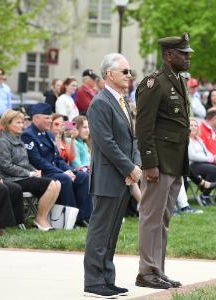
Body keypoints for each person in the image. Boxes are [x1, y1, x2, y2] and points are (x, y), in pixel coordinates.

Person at [135, 33, 192, 289]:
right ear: (169, 55)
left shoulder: (177, 81)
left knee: (164, 219)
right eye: (184, 53)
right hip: (158, 163)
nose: (188, 57)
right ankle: (146, 271)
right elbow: (144, 128)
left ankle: (158, 269)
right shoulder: (154, 83)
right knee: (151, 218)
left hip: (174, 161)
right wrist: (149, 164)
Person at [84, 53, 142, 298]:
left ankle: (107, 279)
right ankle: (93, 282)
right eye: (125, 71)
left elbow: (132, 139)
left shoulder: (122, 101)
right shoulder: (100, 103)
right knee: (100, 231)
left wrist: (135, 165)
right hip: (109, 177)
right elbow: (106, 143)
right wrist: (130, 168)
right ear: (109, 74)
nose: (130, 76)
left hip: (123, 177)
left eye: (130, 72)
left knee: (112, 231)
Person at [21, 103, 92, 226]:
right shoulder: (28, 135)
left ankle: (84, 216)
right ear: (36, 118)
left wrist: (70, 170)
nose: (50, 120)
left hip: (54, 170)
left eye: (50, 118)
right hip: (41, 173)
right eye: (47, 118)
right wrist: (63, 172)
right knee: (65, 179)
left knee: (82, 176)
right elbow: (37, 160)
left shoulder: (48, 134)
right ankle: (68, 220)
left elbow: (58, 159)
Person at [0, 109, 61, 231]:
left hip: (23, 176)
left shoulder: (18, 139)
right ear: (8, 124)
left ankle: (43, 218)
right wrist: (29, 173)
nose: (22, 125)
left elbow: (25, 162)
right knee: (51, 184)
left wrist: (34, 170)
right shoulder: (3, 142)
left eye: (22, 122)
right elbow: (6, 166)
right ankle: (40, 219)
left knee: (57, 184)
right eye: (18, 123)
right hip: (11, 179)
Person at [189, 118, 216, 205]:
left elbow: (206, 152)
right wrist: (208, 159)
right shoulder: (187, 140)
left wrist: (213, 156)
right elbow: (191, 156)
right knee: (214, 170)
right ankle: (205, 196)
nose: (194, 127)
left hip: (204, 164)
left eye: (195, 126)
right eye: (191, 125)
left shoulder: (198, 139)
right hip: (192, 166)